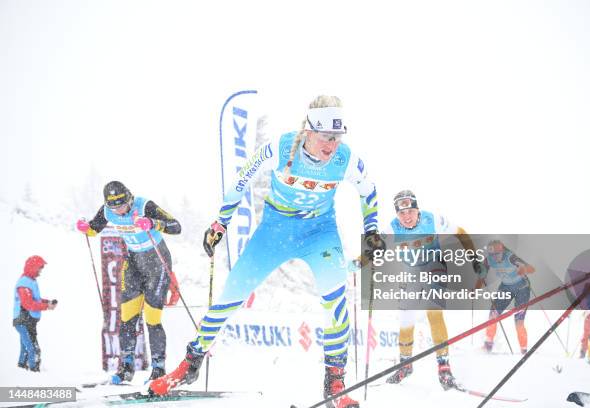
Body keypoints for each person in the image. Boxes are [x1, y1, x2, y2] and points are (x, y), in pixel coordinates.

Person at [150, 95, 381, 408]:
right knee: (231, 293)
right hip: (275, 232)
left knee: (334, 296)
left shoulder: (346, 159)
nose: (332, 146)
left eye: (338, 138)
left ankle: (334, 379)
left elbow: (369, 192)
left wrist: (371, 232)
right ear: (310, 132)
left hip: (319, 234)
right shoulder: (281, 149)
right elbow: (241, 181)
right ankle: (189, 365)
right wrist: (220, 223)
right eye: (327, 137)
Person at [76, 181, 181, 383]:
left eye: (122, 206)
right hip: (133, 264)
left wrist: (153, 223)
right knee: (127, 318)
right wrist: (85, 228)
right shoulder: (107, 211)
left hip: (157, 263)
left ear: (130, 198)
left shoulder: (144, 206)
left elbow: (176, 226)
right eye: (114, 207)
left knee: (152, 318)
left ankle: (158, 369)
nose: (119, 211)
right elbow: (93, 229)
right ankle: (126, 368)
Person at [384, 190, 480, 390]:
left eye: (410, 211)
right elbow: (373, 247)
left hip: (434, 267)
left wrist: (473, 257)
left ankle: (444, 368)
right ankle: (405, 365)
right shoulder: (392, 228)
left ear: (417, 209)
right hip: (410, 273)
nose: (406, 217)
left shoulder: (433, 220)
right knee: (405, 319)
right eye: (401, 214)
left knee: (433, 313)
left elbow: (460, 232)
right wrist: (360, 262)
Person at [476, 240, 535, 354]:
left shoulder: (511, 257)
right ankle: (488, 344)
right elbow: (482, 276)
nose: (495, 257)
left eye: (497, 254)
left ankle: (524, 349)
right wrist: (476, 288)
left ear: (502, 251)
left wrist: (524, 269)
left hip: (522, 288)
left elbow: (532, 269)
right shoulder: (489, 260)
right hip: (506, 287)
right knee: (493, 314)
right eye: (492, 254)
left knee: (519, 320)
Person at [13, 255, 57, 371]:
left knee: (25, 348)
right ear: (32, 267)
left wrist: (47, 302)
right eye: (39, 267)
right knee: (33, 349)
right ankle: (34, 372)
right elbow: (28, 304)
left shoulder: (30, 281)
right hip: (23, 320)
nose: (41, 270)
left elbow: (34, 300)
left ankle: (21, 369)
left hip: (27, 320)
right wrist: (46, 306)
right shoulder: (24, 284)